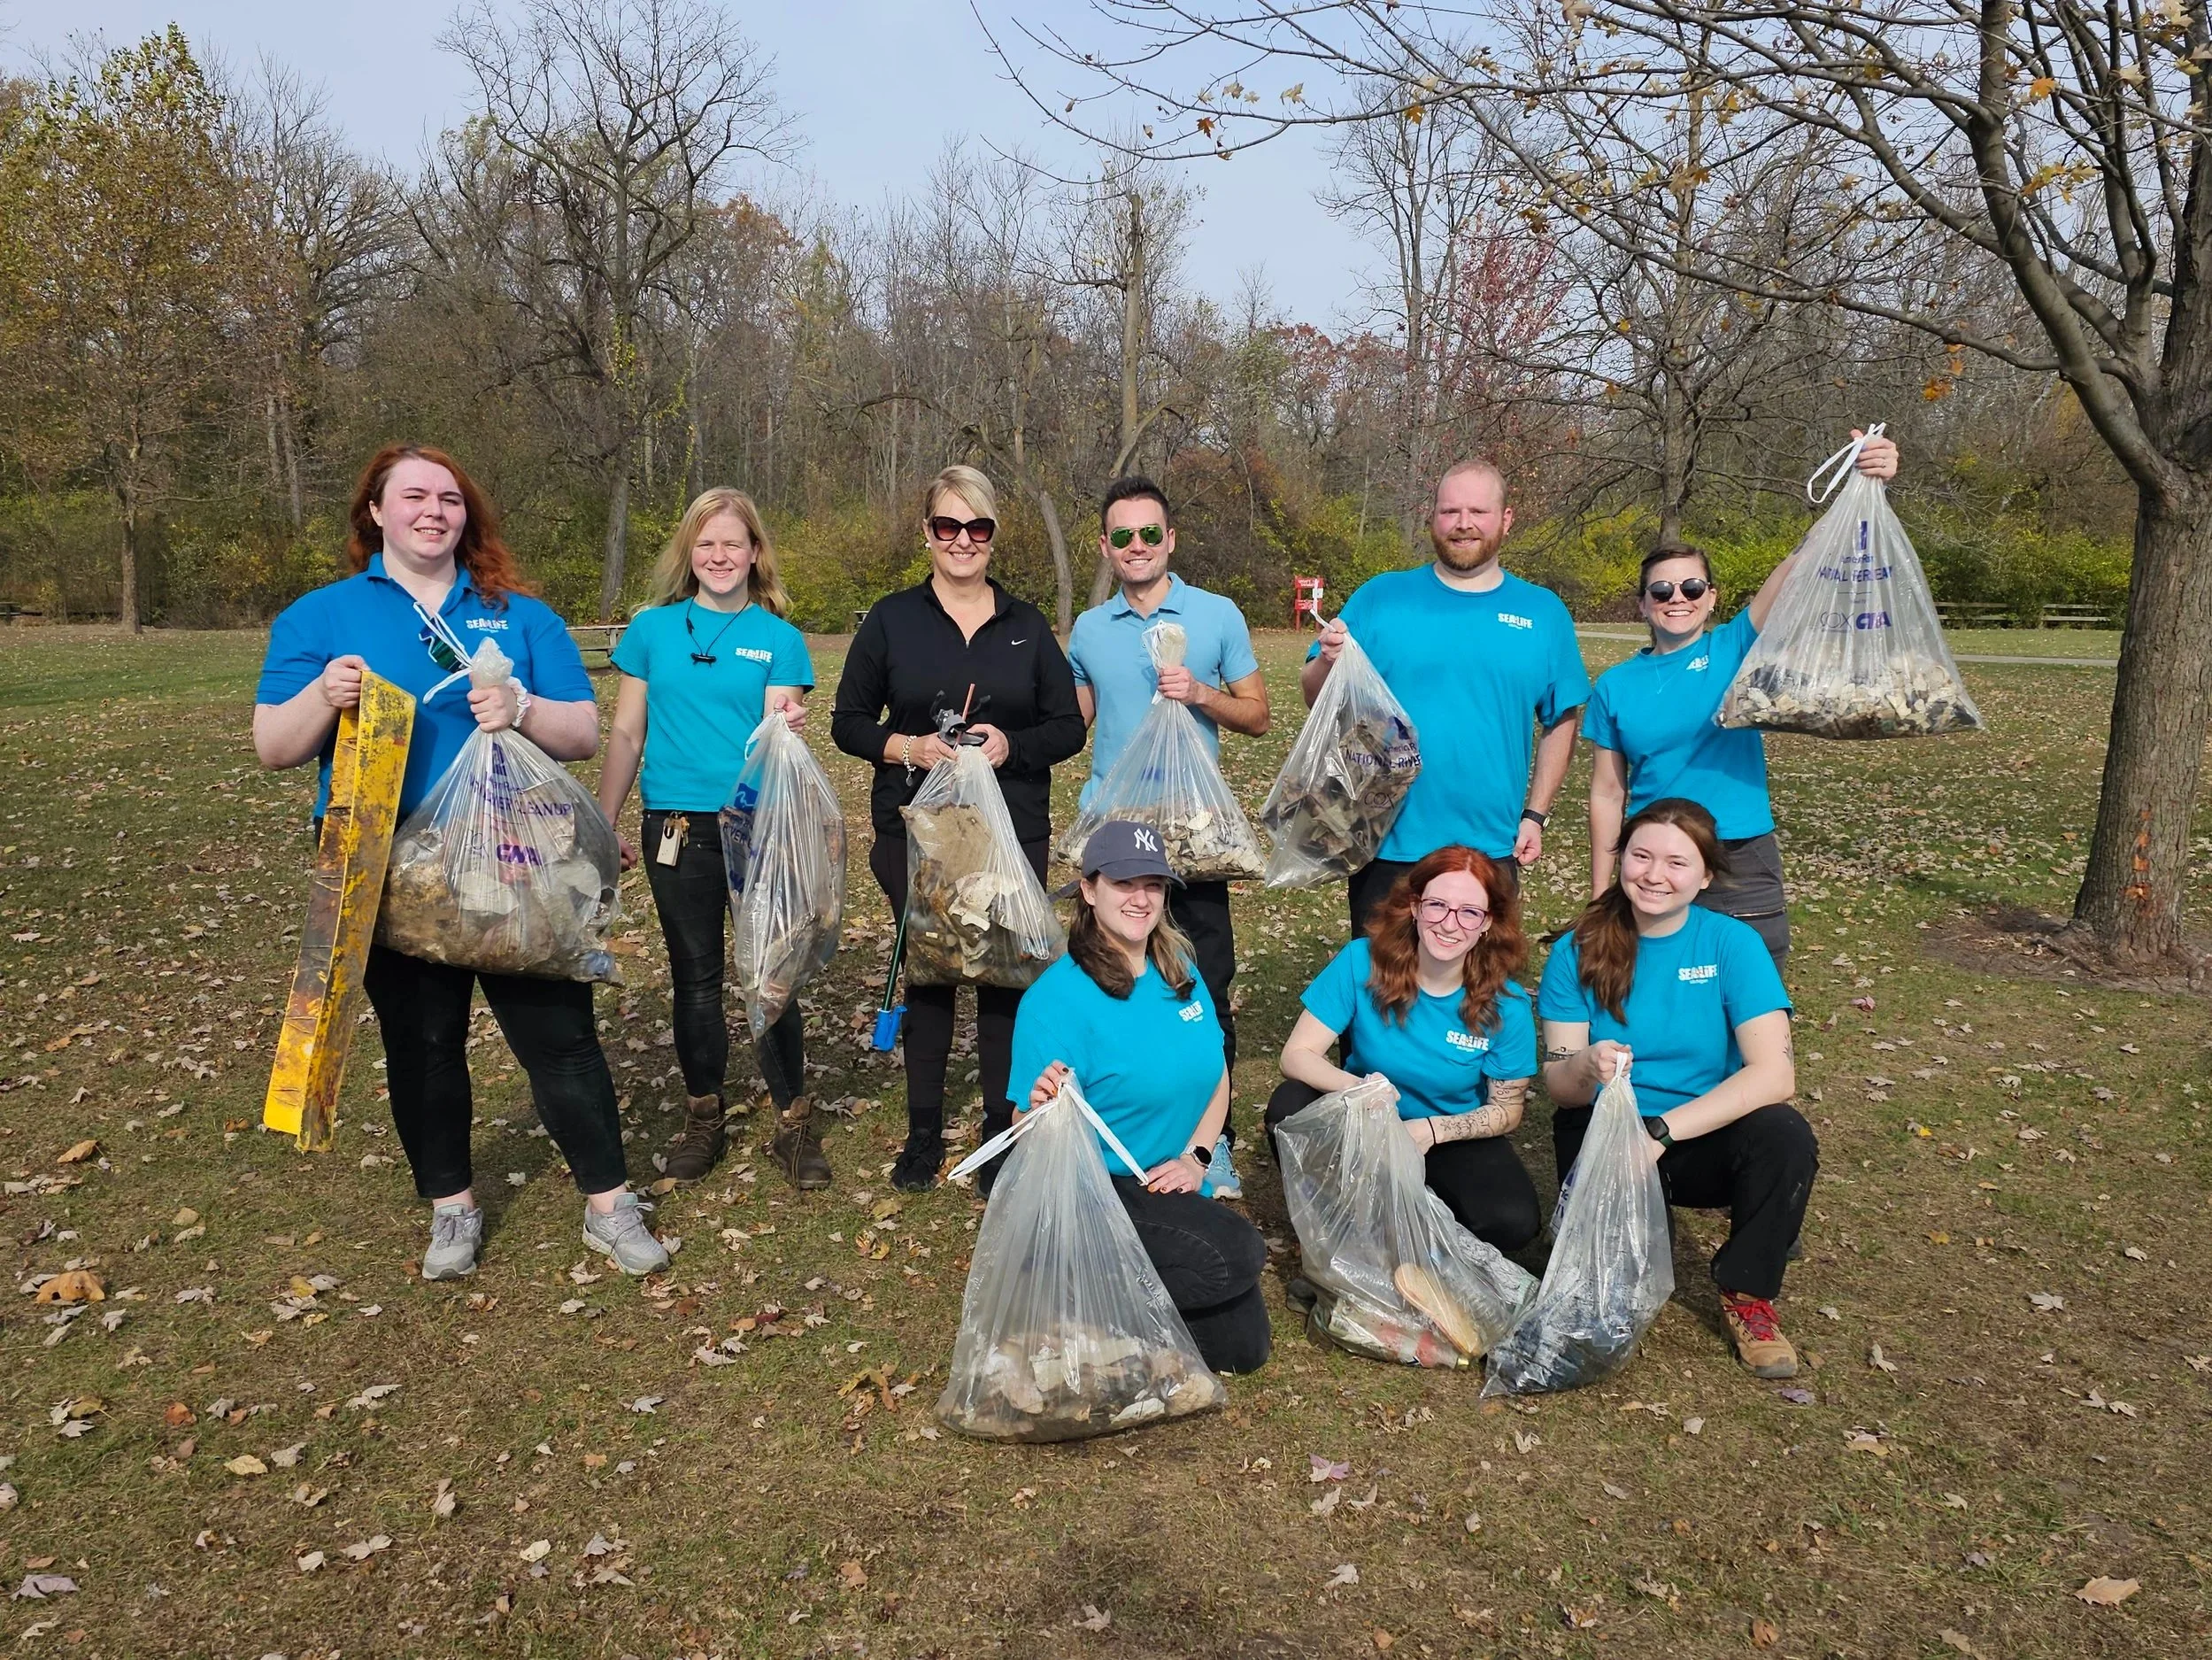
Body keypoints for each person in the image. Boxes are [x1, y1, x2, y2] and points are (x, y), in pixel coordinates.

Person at [252, 443, 667, 1281]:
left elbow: (584, 731)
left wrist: (519, 705)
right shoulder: (322, 615)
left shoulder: (516, 612)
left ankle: (608, 1203)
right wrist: (321, 697)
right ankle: (451, 1208)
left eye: (449, 498)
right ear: (375, 511)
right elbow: (274, 746)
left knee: (560, 1038)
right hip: (389, 868)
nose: (433, 511)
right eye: (413, 497)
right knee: (422, 1042)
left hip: (515, 862)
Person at [831, 465, 1085, 1193]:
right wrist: (908, 747)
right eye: (948, 526)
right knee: (932, 975)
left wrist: (1012, 745)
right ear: (927, 533)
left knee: (1005, 980)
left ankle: (997, 1133)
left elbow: (1066, 723)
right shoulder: (891, 619)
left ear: (993, 535)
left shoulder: (1026, 625)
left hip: (1010, 830)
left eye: (977, 527)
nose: (962, 540)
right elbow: (847, 720)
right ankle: (920, 1133)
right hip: (918, 830)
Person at [1584, 431, 1900, 966]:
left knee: (1751, 991)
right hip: (1653, 856)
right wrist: (1600, 893)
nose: (1676, 600)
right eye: (1661, 591)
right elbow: (1607, 795)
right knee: (1656, 989)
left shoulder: (1736, 646)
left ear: (1712, 599)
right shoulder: (1615, 685)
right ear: (1642, 604)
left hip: (1739, 851)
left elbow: (1801, 561)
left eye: (1691, 589)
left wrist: (1862, 482)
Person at [1538, 798, 1812, 1378]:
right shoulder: (1577, 948)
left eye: (1676, 862)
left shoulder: (1731, 944)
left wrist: (1661, 1132)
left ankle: (1747, 1295)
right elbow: (1560, 1087)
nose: (1654, 875)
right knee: (1617, 1291)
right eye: (1640, 855)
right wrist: (1584, 1064)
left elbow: (1774, 1074)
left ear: (1706, 875)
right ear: (1620, 859)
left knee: (1783, 1135)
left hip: (1694, 1130)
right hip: (1602, 1128)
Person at [596, 489, 819, 1188]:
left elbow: (772, 733)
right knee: (695, 977)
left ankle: (793, 1122)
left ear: (755, 552)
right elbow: (627, 732)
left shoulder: (778, 637)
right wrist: (603, 819)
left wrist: (787, 724)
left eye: (733, 543)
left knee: (770, 974)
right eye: (706, 543)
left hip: (756, 829)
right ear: (688, 553)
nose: (719, 556)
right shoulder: (652, 630)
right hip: (675, 828)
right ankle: (704, 1116)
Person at [1067, 474, 1270, 1194]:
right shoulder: (1090, 629)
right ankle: (1119, 1135)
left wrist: (1201, 694)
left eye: (1149, 532)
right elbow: (1073, 717)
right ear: (1105, 547)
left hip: (1193, 840)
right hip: (1115, 836)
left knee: (1203, 990)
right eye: (1122, 536)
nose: (1137, 546)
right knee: (1113, 984)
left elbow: (1257, 713)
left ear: (1171, 539)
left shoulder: (1215, 615)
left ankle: (1214, 1146)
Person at [1011, 822, 1270, 1375]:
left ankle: (1114, 1311)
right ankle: (1075, 1280)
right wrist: (1036, 1106)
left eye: (1154, 884)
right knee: (1240, 1252)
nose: (1141, 897)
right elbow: (1023, 1130)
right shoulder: (1053, 1000)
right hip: (1097, 1191)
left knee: (1242, 1350)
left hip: (1166, 1178)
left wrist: (1196, 1157)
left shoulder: (1181, 970)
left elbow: (1217, 1074)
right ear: (1088, 889)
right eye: (1124, 882)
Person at [1304, 459, 1589, 934]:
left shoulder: (1542, 612)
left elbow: (1562, 717)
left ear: (1506, 519)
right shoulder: (1382, 597)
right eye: (1450, 511)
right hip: (1386, 842)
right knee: (1386, 993)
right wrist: (1328, 662)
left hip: (1489, 847)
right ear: (1432, 516)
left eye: (1478, 511)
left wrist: (1535, 814)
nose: (1463, 524)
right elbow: (1316, 697)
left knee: (1478, 995)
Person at [1267, 846, 1540, 1254]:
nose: (1450, 924)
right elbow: (1297, 1055)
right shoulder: (1362, 961)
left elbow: (1507, 1110)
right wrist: (1362, 1090)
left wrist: (1431, 1131)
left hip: (1446, 1135)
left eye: (1469, 912)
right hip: (1366, 1119)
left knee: (1512, 1220)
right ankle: (1341, 1232)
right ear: (1414, 907)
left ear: (1488, 923)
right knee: (1289, 1106)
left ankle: (1424, 1248)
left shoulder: (1507, 1007)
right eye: (1437, 906)